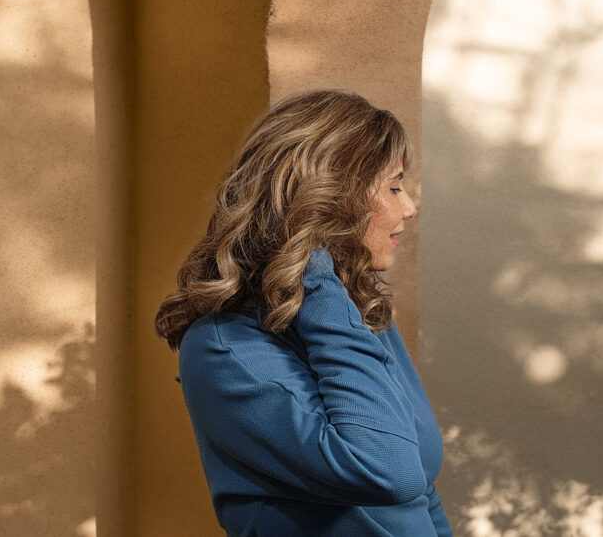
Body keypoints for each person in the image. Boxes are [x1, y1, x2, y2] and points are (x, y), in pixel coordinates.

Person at [155, 89, 451, 536]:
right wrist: (311, 266)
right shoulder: (225, 348)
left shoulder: (361, 318)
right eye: (393, 187)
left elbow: (421, 489)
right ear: (331, 201)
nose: (408, 208)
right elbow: (388, 472)